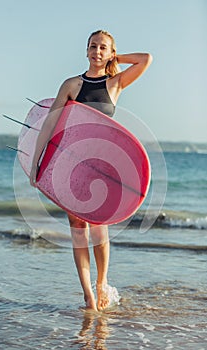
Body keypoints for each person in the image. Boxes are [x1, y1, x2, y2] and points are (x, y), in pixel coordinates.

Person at [30, 29, 152, 311]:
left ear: (109, 52)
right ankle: (88, 294)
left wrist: (114, 58)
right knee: (77, 230)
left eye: (103, 48)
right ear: (86, 51)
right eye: (93, 46)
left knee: (100, 230)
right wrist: (37, 161)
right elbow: (50, 123)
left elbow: (146, 59)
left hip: (102, 167)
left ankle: (101, 282)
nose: (97, 51)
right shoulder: (71, 84)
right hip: (71, 166)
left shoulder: (116, 83)